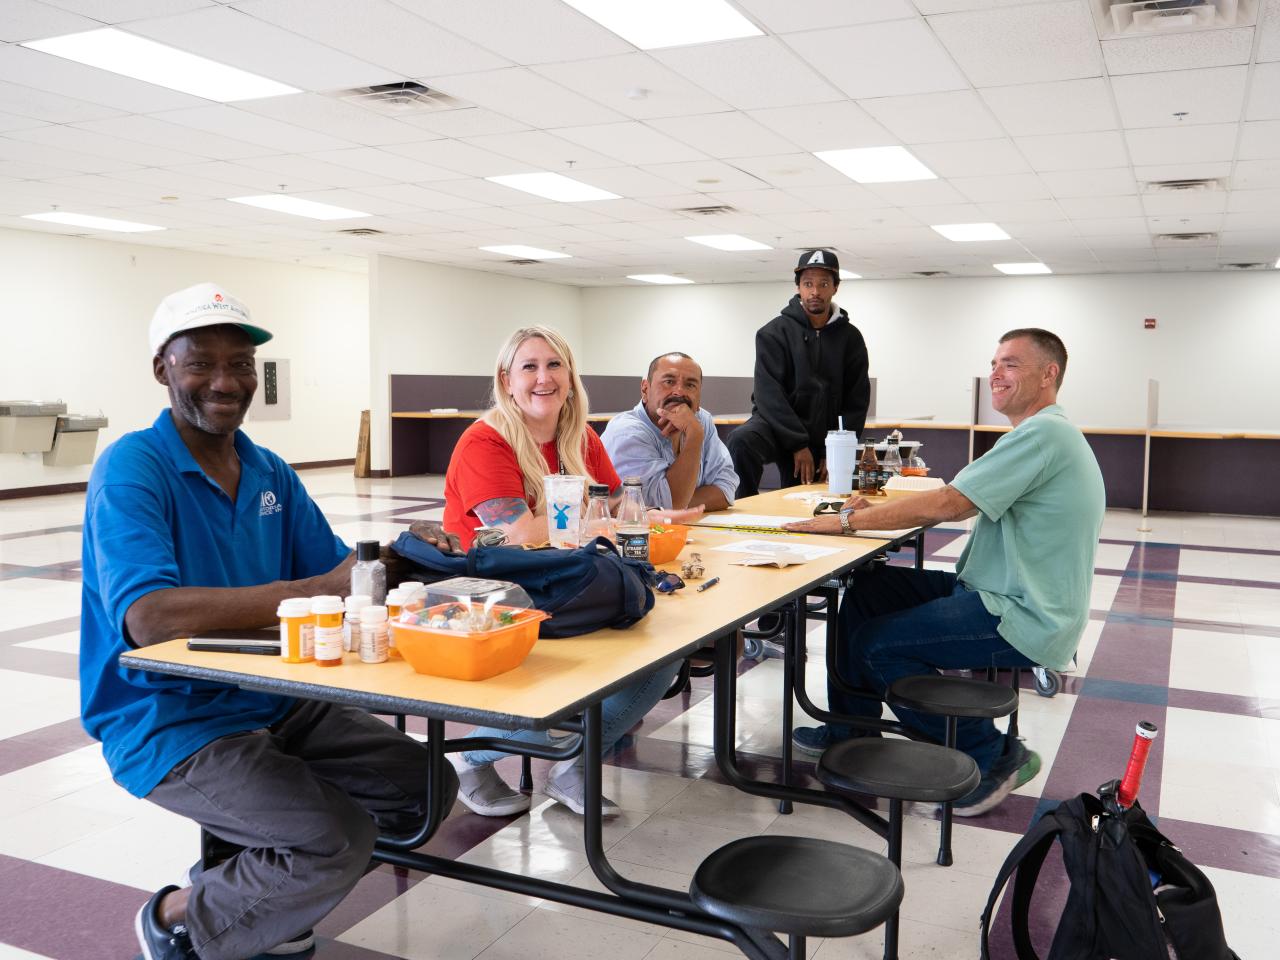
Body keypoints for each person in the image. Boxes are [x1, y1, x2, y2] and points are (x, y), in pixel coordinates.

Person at [81, 282, 457, 960]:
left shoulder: (267, 471)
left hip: (273, 697)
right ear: (162, 367)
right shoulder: (132, 469)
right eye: (202, 362)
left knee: (424, 787)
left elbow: (341, 577)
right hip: (170, 716)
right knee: (334, 838)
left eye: (241, 364)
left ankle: (263, 884)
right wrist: (317, 587)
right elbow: (148, 617)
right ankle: (181, 919)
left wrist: (410, 557)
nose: (226, 381)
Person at [785, 328, 1104, 817]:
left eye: (1011, 364)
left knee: (877, 643)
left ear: (1049, 374)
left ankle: (994, 755)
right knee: (870, 588)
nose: (995, 373)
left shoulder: (1044, 434)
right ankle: (850, 729)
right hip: (994, 590)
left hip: (1021, 613)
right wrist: (872, 511)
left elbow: (952, 502)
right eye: (995, 363)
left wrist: (846, 521)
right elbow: (957, 496)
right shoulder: (1040, 433)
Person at [442, 326, 697, 819]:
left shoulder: (577, 437)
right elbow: (517, 535)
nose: (544, 378)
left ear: (570, 375)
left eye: (554, 365)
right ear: (507, 379)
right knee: (557, 693)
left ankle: (575, 764)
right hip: (496, 596)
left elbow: (620, 503)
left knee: (664, 653)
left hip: (562, 582)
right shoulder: (485, 442)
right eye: (529, 367)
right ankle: (467, 759)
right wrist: (595, 518)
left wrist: (654, 516)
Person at [728, 249, 870, 497]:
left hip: (823, 435)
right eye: (808, 284)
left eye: (823, 284)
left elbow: (856, 400)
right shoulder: (772, 333)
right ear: (798, 288)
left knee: (807, 502)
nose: (815, 291)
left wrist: (835, 451)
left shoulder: (851, 339)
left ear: (835, 287)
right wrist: (797, 443)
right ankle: (743, 506)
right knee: (741, 441)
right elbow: (768, 395)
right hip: (777, 428)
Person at [600, 351, 738, 511]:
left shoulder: (701, 420)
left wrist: (674, 505)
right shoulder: (627, 432)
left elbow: (727, 488)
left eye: (690, 385)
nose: (679, 391)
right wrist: (694, 436)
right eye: (669, 382)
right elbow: (668, 505)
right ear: (645, 390)